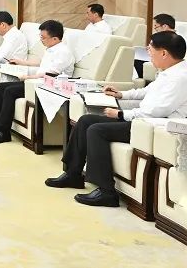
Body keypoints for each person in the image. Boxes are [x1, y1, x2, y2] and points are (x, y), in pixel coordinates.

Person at [45, 31, 187, 207]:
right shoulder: (169, 72)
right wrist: (121, 94)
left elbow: (156, 111)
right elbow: (146, 92)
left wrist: (121, 114)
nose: (148, 53)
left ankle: (106, 192)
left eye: (150, 50)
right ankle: (73, 174)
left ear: (164, 53)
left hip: (152, 127)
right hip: (141, 121)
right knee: (85, 121)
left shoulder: (180, 78)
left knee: (96, 130)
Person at [0, 20, 75, 144]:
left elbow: (51, 74)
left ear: (55, 39)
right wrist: (23, 64)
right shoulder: (51, 48)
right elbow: (42, 66)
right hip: (37, 82)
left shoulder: (63, 52)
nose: (41, 40)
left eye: (43, 37)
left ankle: (3, 132)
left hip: (48, 87)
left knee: (10, 91)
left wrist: (29, 77)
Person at [135, 13, 176, 78]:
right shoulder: (175, 38)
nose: (155, 29)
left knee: (136, 62)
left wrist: (152, 50)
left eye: (156, 27)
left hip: (163, 64)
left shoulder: (171, 39)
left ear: (165, 26)